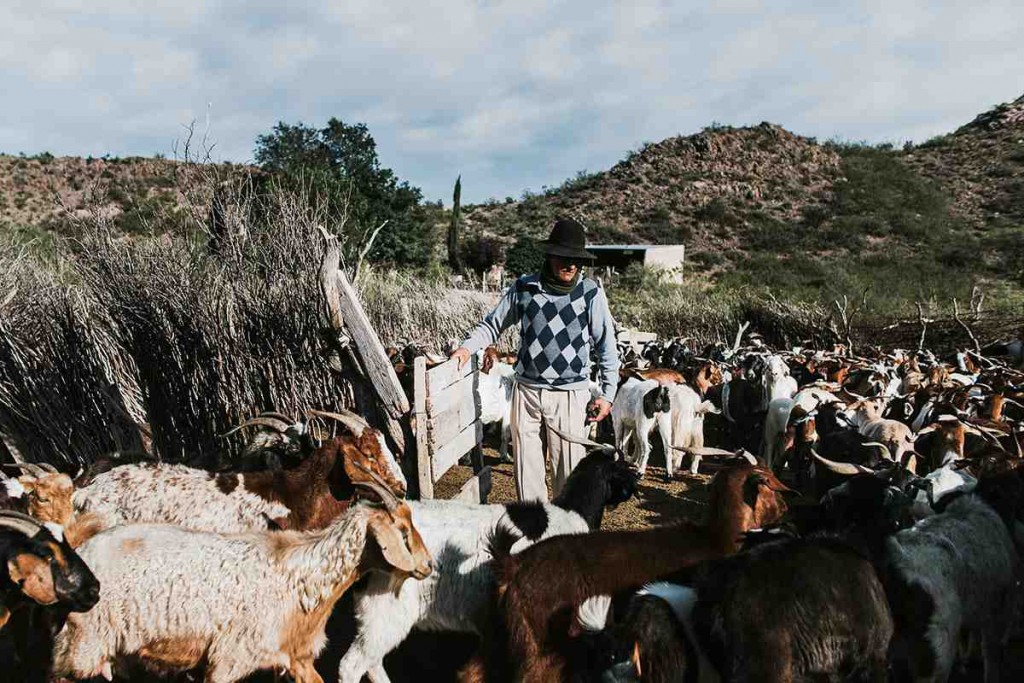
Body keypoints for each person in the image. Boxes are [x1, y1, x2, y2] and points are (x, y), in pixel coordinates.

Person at [450, 218, 620, 502]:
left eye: (576, 260)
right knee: (526, 474)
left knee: (569, 472)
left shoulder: (590, 293)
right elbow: (492, 325)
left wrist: (608, 395)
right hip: (527, 391)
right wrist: (466, 349)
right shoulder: (525, 288)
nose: (570, 265)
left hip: (569, 394)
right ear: (550, 255)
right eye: (564, 258)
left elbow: (607, 346)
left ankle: (567, 537)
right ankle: (534, 536)